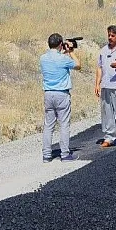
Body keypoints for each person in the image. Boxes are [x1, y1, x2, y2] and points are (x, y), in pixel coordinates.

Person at [40, 33, 82, 162]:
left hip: (48, 93)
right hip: (62, 94)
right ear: (60, 44)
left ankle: (46, 155)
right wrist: (70, 51)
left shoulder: (43, 58)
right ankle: (65, 154)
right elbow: (78, 65)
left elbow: (56, 60)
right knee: (64, 124)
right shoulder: (64, 59)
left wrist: (62, 51)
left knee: (49, 126)